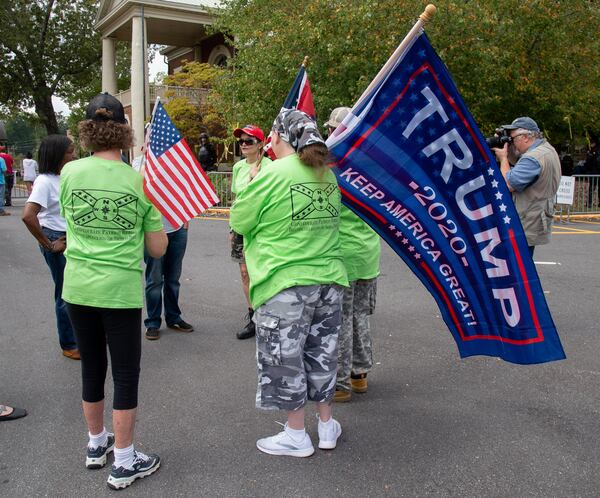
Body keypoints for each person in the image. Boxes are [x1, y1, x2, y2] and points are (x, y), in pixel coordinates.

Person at [60, 93, 167, 490]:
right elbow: (157, 248)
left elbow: (71, 222)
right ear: (123, 133)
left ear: (88, 132)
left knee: (91, 365)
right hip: (118, 291)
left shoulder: (70, 173)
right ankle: (124, 461)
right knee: (124, 374)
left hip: (78, 287)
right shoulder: (136, 181)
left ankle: (95, 444)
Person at [230, 109, 348, 458]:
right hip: (328, 279)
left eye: (270, 136)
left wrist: (252, 186)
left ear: (280, 138)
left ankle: (296, 433)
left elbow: (240, 219)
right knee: (323, 353)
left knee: (285, 357)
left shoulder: (271, 174)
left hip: (285, 282)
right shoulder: (326, 174)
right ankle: (327, 426)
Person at [324, 107, 381, 403]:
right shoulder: (371, 166)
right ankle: (360, 373)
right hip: (368, 254)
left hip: (343, 256)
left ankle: (341, 381)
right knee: (360, 315)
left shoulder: (332, 170)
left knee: (342, 318)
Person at [22, 135, 79, 360]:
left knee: (76, 291)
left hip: (70, 238)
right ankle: (69, 343)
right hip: (57, 240)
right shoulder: (45, 181)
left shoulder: (63, 177)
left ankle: (80, 336)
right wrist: (48, 244)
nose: (74, 155)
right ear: (57, 154)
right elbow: (28, 216)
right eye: (70, 151)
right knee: (65, 294)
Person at [131, 150, 194, 340]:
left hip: (177, 228)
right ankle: (152, 322)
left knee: (173, 279)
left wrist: (186, 216)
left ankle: (174, 317)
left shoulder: (176, 161)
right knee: (155, 280)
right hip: (153, 231)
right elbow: (138, 193)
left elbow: (185, 188)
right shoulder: (139, 164)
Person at [493, 117, 561, 257]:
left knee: (519, 267)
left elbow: (508, 184)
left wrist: (503, 158)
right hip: (535, 216)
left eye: (513, 138)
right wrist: (506, 148)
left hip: (526, 221)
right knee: (524, 264)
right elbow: (519, 163)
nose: (512, 141)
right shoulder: (546, 150)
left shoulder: (533, 158)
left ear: (525, 137)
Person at [230, 124, 271, 340]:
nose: (244, 144)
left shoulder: (270, 166)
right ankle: (253, 317)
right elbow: (238, 201)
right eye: (241, 141)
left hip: (262, 228)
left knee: (260, 272)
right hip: (241, 228)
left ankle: (268, 315)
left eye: (249, 141)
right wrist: (232, 227)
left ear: (261, 144)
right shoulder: (238, 168)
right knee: (245, 273)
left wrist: (255, 179)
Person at [583, 133, 600, 207]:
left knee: (592, 188)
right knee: (594, 188)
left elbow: (589, 162)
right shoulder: (595, 150)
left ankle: (589, 203)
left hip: (595, 171)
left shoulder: (593, 151)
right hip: (595, 171)